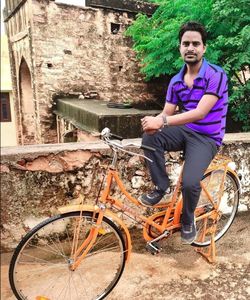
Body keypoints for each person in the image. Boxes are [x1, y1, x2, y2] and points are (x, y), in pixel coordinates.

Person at [139, 21, 228, 244]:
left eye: (195, 44)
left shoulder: (216, 75)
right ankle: (161, 186)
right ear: (180, 47)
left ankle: (188, 219)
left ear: (204, 48)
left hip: (207, 137)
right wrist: (154, 122)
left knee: (190, 183)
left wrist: (163, 121)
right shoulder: (176, 81)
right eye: (185, 43)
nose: (190, 48)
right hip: (185, 130)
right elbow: (167, 112)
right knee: (150, 136)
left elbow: (199, 113)